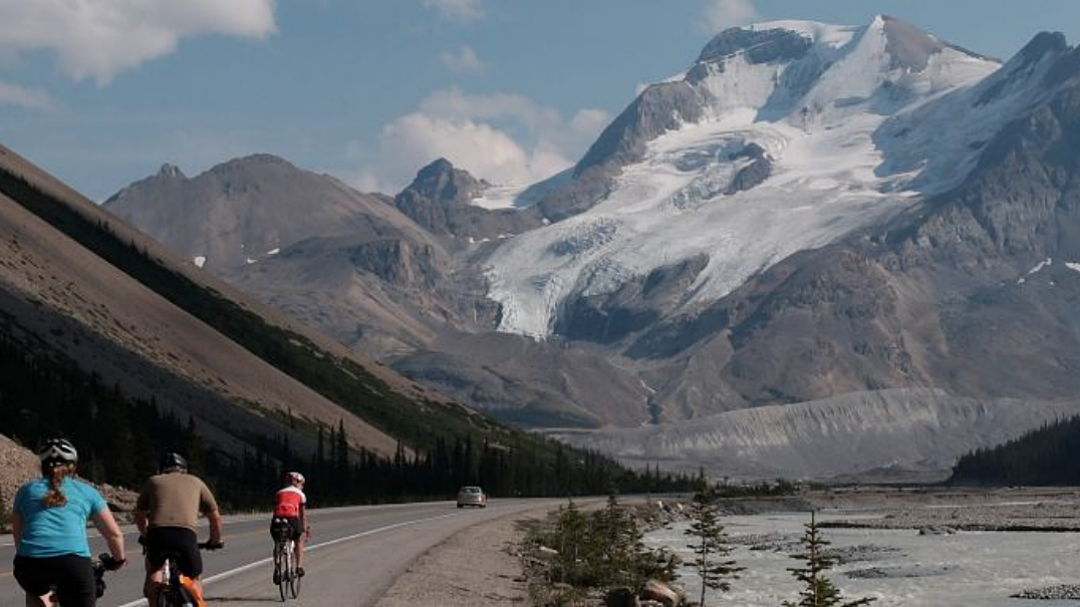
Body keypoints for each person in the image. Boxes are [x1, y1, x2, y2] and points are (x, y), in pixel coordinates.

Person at [11, 438, 127, 607]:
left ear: (42, 466)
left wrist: (32, 554)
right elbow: (114, 535)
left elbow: (18, 535)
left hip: (30, 564)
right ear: (73, 467)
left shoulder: (25, 491)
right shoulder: (87, 492)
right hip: (72, 564)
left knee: (35, 591)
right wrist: (118, 560)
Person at [134, 452, 223, 604]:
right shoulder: (196, 481)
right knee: (194, 577)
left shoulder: (153, 481)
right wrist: (215, 540)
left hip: (157, 534)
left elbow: (139, 515)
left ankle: (154, 600)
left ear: (161, 470)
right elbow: (215, 516)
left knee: (154, 571)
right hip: (185, 535)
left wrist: (145, 535)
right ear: (185, 469)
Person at [270, 471, 309, 581]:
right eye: (302, 484)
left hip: (276, 520)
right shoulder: (300, 494)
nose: (302, 486)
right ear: (298, 482)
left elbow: (275, 509)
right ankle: (299, 567)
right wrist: (304, 529)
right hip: (292, 519)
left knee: (278, 542)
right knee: (299, 539)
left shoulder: (278, 493)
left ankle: (277, 568)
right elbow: (302, 516)